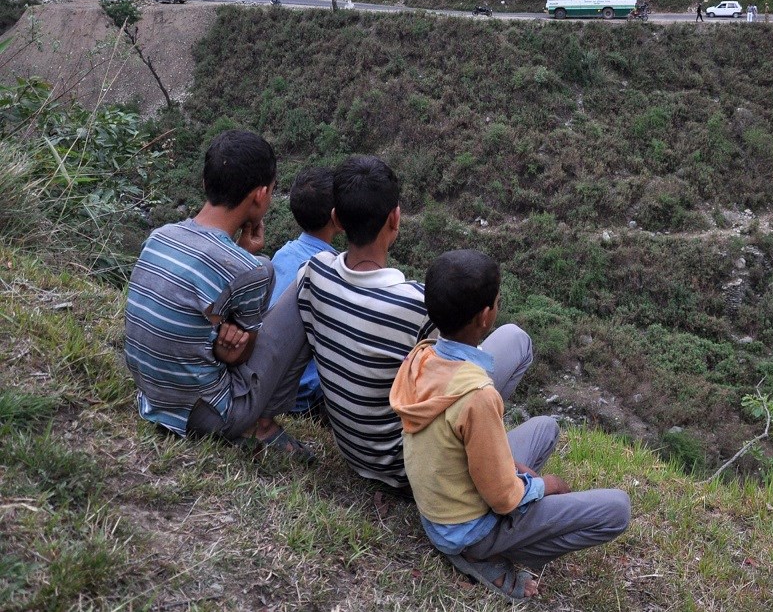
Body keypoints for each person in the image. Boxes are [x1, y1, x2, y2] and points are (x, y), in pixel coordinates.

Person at [392, 249, 630, 601]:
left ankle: (499, 520)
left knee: (545, 427)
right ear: (486, 316)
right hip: (464, 529)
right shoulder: (478, 396)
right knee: (617, 510)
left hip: (439, 501)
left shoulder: (422, 355)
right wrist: (540, 485)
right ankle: (485, 554)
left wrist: (506, 464)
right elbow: (504, 499)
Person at [296, 156, 535, 493]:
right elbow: (465, 375)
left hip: (354, 453)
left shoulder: (311, 274)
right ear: (395, 218)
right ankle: (483, 443)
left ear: (336, 218)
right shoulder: (415, 306)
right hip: (411, 471)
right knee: (515, 340)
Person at [124, 129, 313, 457]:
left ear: (205, 182)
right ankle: (263, 424)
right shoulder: (252, 269)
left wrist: (240, 254)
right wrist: (248, 258)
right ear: (260, 195)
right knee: (307, 284)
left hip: (151, 397)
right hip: (208, 416)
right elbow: (242, 354)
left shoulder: (161, 236)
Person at [268, 167, 340, 415]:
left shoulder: (283, 254)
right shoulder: (334, 271)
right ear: (337, 217)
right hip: (305, 396)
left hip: (269, 383)